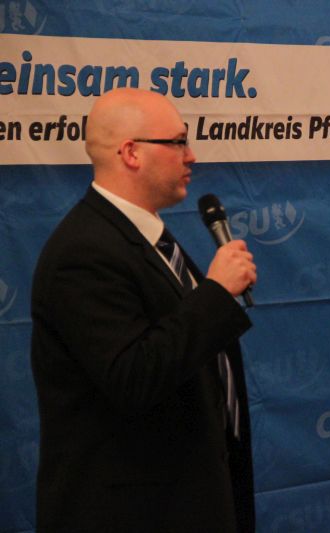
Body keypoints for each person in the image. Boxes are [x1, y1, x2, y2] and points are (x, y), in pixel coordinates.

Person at [30, 88, 258, 532]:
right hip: (132, 513)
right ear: (131, 153)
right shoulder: (84, 252)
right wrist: (215, 292)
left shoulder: (149, 239)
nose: (191, 155)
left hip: (189, 499)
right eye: (177, 142)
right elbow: (134, 376)